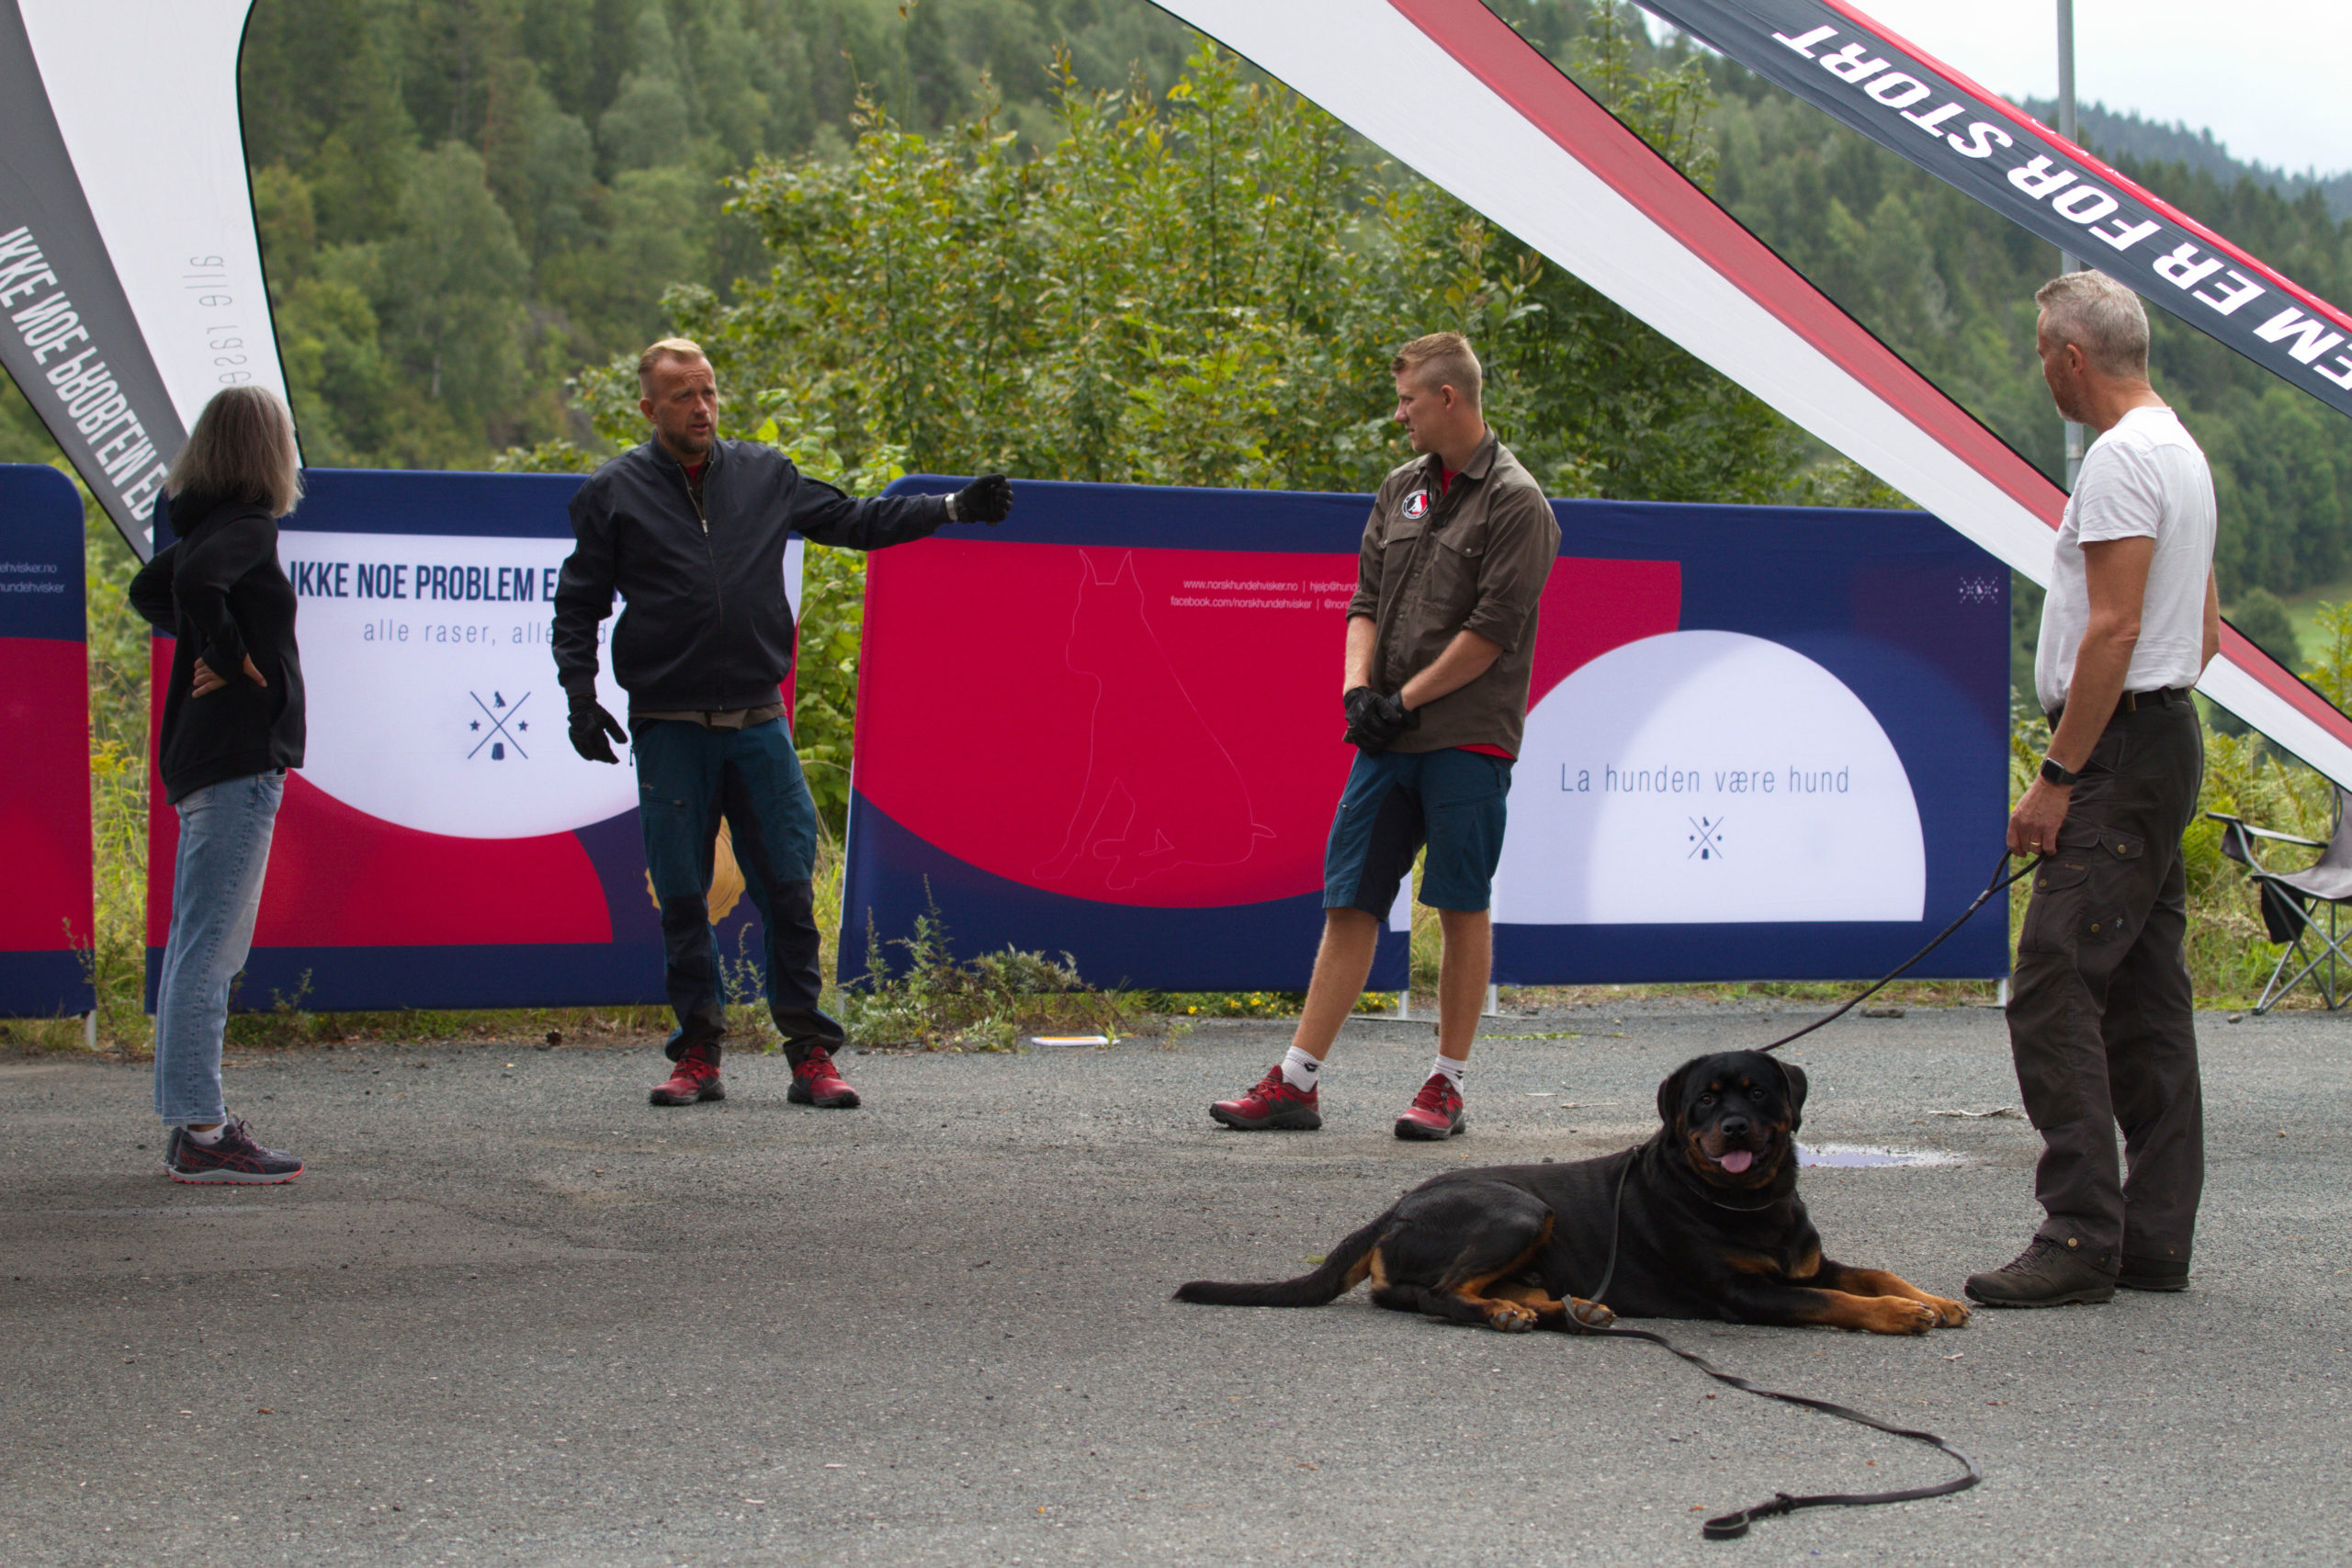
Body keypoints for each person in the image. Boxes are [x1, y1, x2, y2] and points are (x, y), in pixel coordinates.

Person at [555, 338, 1012, 1109]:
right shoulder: (613, 492)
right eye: (682, 398)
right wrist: (579, 693)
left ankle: (810, 1053)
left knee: (790, 891)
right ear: (648, 409)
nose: (701, 408)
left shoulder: (765, 474)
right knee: (681, 894)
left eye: (708, 393)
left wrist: (950, 508)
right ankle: (697, 1053)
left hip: (758, 723)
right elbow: (580, 603)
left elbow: (854, 519)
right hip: (669, 726)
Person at [1210, 333, 1558, 1139]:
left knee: (1460, 902)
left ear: (1449, 399)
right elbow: (1363, 601)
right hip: (1386, 735)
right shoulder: (1400, 487)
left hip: (1468, 735)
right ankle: (1296, 1082)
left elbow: (1492, 634)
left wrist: (1405, 698)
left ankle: (1447, 1084)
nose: (1397, 415)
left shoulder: (1517, 500)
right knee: (1350, 899)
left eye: (1407, 401)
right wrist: (1357, 690)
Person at [1966, 270, 2220, 1308]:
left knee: (2054, 981)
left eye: (2040, 355)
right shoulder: (2181, 449)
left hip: (2113, 753)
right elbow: (2201, 627)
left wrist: (2060, 775)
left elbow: (2113, 628)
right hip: (2166, 740)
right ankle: (2154, 1235)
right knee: (2148, 992)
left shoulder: (2117, 461)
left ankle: (2079, 1233)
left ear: (2073, 357)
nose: (2043, 374)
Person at [126, 387, 309, 1183]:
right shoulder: (245, 529)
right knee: (212, 949)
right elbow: (197, 585)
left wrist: (208, 638)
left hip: (204, 760)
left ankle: (189, 1121)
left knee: (197, 942)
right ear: (268, 449)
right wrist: (233, 657)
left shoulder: (206, 523)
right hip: (237, 759)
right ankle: (204, 1130)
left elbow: (149, 590)